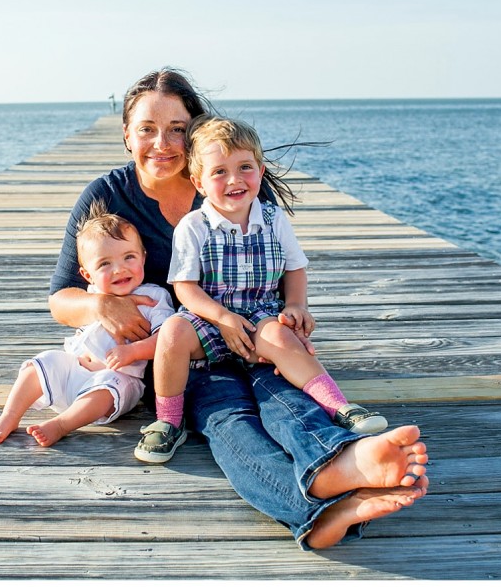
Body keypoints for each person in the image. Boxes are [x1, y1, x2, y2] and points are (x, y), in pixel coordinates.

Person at [48, 68, 428, 550]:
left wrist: (291, 315)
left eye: (177, 129)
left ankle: (341, 461)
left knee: (284, 399)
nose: (161, 142)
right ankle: (318, 509)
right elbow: (61, 297)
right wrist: (103, 303)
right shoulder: (106, 197)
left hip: (255, 331)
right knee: (229, 420)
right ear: (127, 134)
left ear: (197, 133)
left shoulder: (233, 185)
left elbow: (281, 263)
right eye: (146, 128)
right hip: (184, 353)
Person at [134, 115, 387, 465]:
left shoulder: (273, 219)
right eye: (219, 172)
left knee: (284, 338)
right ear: (199, 182)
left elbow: (295, 267)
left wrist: (297, 305)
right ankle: (169, 420)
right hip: (209, 316)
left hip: (259, 313)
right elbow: (185, 288)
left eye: (245, 167)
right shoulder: (194, 226)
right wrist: (221, 317)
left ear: (261, 170)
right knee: (173, 333)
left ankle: (338, 405)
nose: (235, 180)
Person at [0, 203, 173, 447]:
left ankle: (62, 424)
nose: (119, 269)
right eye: (105, 264)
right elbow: (62, 304)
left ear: (143, 258)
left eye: (129, 257)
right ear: (87, 275)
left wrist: (133, 351)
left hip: (116, 380)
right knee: (44, 361)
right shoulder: (90, 296)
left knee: (110, 385)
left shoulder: (153, 297)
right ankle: (9, 415)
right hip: (74, 370)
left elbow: (167, 340)